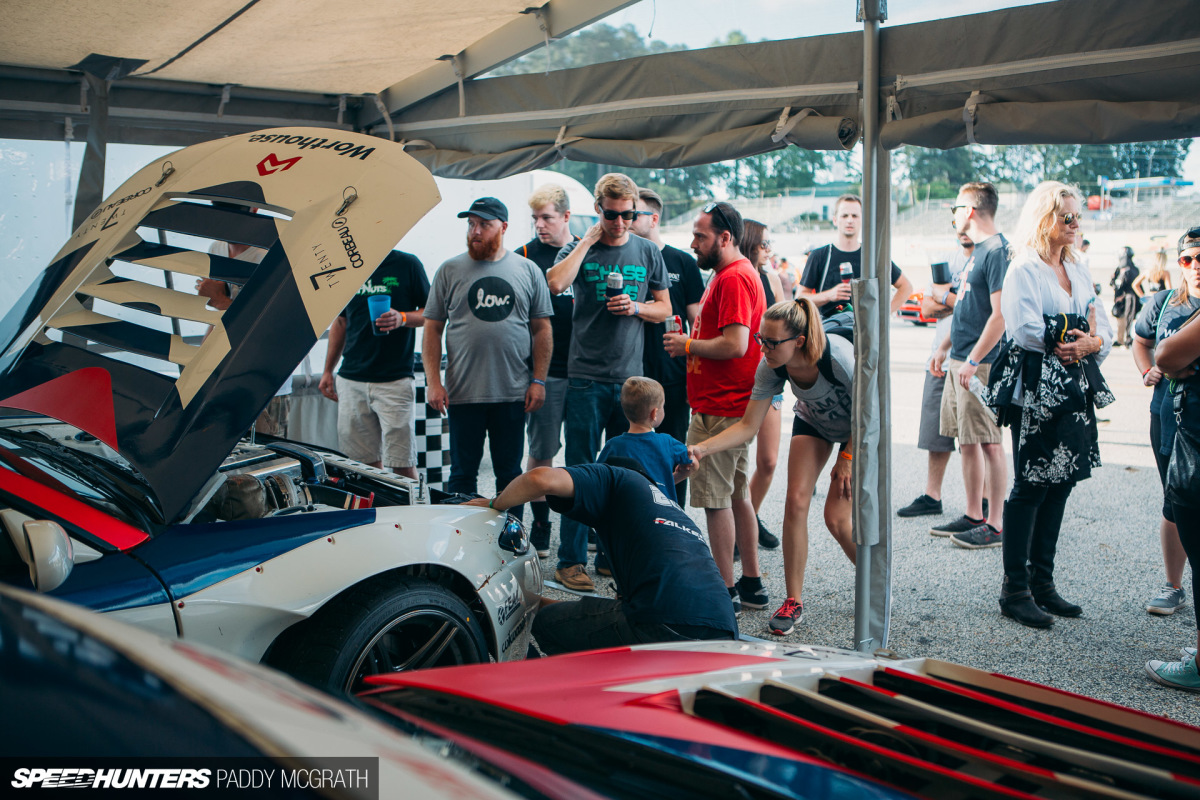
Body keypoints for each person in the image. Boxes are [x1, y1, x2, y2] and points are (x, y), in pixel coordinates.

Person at [988, 181, 1114, 628]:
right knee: (1032, 484)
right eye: (1067, 216)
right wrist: (1077, 333)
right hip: (1036, 391)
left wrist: (1090, 341)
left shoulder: (1078, 267)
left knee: (1062, 482)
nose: (1076, 223)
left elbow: (1105, 329)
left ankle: (1042, 583)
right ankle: (1015, 590)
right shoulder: (1024, 267)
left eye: (1078, 216)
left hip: (1074, 390)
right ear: (1045, 220)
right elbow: (1024, 330)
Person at [689, 298, 855, 636]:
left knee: (836, 519)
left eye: (771, 342)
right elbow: (748, 425)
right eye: (760, 339)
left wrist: (847, 457)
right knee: (795, 501)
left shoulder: (838, 359)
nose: (763, 348)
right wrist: (702, 449)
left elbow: (872, 415)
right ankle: (793, 602)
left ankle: (875, 580)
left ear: (800, 341)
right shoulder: (771, 366)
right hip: (816, 422)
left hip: (859, 431)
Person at [465, 462, 739, 655]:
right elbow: (595, 613)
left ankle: (576, 707)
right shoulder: (666, 511)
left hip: (662, 623)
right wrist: (529, 602)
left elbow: (539, 479)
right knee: (572, 618)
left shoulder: (615, 478)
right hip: (724, 633)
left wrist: (493, 504)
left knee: (548, 624)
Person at [546, 174, 671, 592]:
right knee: (581, 470)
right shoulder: (581, 246)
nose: (619, 223)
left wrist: (636, 307)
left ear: (636, 212)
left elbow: (664, 308)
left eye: (627, 215)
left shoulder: (647, 250)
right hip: (586, 376)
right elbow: (555, 283)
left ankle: (611, 557)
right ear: (599, 209)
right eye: (612, 214)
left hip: (630, 380)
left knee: (625, 472)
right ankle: (570, 561)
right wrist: (586, 241)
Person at [663, 202, 767, 616]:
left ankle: (724, 593)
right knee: (738, 495)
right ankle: (752, 585)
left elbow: (736, 344)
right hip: (726, 405)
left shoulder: (735, 277)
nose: (693, 244)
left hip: (721, 409)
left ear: (725, 238)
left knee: (715, 500)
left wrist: (687, 345)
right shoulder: (730, 273)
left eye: (700, 236)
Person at [422, 197, 553, 521]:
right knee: (462, 474)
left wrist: (538, 380)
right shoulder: (449, 270)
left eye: (484, 224)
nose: (475, 231)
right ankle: (458, 540)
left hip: (512, 392)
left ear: (503, 227)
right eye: (471, 224)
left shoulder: (527, 270)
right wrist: (433, 382)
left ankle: (511, 537)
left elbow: (542, 329)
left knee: (509, 474)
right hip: (462, 393)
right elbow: (432, 329)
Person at [929, 182, 1009, 547]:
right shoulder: (978, 251)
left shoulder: (998, 251)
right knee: (968, 441)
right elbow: (965, 309)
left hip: (982, 363)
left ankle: (996, 523)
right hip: (960, 359)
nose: (953, 216)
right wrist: (944, 348)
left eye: (955, 209)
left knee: (989, 441)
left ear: (970, 211)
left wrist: (974, 360)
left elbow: (999, 316)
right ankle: (974, 513)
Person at [1144, 226, 1200, 692]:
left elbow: (1166, 353)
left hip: (1196, 437)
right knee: (1174, 507)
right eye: (1188, 258)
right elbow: (1152, 351)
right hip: (1172, 421)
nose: (1195, 265)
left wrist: (1177, 363)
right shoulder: (1165, 302)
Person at [319, 249, 429, 477]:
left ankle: (410, 503)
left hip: (395, 379)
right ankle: (376, 502)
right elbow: (341, 321)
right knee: (362, 466)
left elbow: (431, 313)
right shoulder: (348, 266)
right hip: (351, 379)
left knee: (402, 463)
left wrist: (402, 318)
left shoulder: (407, 264)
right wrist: (328, 370)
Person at [631, 188, 705, 504]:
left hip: (673, 375)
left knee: (674, 451)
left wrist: (696, 374)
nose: (626, 220)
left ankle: (674, 515)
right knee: (631, 453)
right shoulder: (624, 258)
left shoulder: (682, 262)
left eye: (633, 214)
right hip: (630, 373)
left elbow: (697, 324)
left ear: (654, 218)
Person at [516, 184, 578, 558]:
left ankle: (584, 525)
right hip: (545, 371)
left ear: (566, 217)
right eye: (535, 218)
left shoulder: (583, 252)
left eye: (547, 218)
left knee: (584, 453)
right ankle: (540, 524)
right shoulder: (524, 255)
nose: (540, 225)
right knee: (542, 451)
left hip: (584, 369)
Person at [899, 231, 975, 517]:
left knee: (974, 435)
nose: (963, 227)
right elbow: (927, 307)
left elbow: (983, 307)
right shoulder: (946, 260)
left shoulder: (986, 260)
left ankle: (980, 503)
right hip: (938, 359)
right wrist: (956, 302)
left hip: (973, 359)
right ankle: (933, 496)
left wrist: (946, 298)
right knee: (935, 434)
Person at [797, 193, 913, 318]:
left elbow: (906, 286)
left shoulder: (873, 256)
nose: (850, 220)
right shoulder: (819, 256)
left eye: (855, 216)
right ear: (835, 220)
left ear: (862, 220)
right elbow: (800, 298)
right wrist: (829, 295)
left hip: (865, 329)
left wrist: (883, 315)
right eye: (844, 215)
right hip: (828, 328)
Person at [742, 220, 784, 549]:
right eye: (764, 244)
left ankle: (749, 518)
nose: (769, 250)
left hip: (769, 376)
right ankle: (741, 526)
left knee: (768, 461)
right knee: (736, 462)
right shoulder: (732, 277)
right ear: (750, 243)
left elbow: (786, 324)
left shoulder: (772, 279)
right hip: (738, 379)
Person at [597, 377, 695, 504]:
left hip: (625, 511)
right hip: (661, 511)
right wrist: (679, 475)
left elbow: (598, 476)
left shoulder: (613, 445)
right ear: (654, 413)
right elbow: (693, 462)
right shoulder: (667, 443)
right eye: (663, 406)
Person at [1110, 246, 1140, 347]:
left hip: (1129, 297)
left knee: (1129, 317)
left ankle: (1128, 338)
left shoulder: (1132, 269)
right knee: (1120, 318)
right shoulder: (1119, 269)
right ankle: (1120, 339)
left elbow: (1130, 284)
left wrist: (1122, 295)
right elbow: (1114, 283)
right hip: (1120, 298)